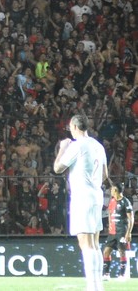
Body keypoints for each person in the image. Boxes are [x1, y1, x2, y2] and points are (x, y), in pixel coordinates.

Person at [55, 114, 109, 291]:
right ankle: (97, 284)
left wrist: (63, 148)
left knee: (85, 243)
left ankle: (93, 287)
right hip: (96, 195)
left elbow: (57, 168)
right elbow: (105, 175)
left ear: (75, 127)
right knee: (94, 243)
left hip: (82, 197)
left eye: (70, 127)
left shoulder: (77, 146)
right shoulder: (98, 145)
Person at [105, 181, 134, 279]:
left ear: (116, 190)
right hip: (112, 232)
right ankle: (106, 274)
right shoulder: (112, 201)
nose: (111, 191)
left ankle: (121, 275)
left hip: (122, 231)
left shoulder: (125, 201)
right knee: (106, 251)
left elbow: (131, 218)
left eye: (112, 189)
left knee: (122, 251)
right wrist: (109, 223)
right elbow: (109, 212)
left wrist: (129, 232)